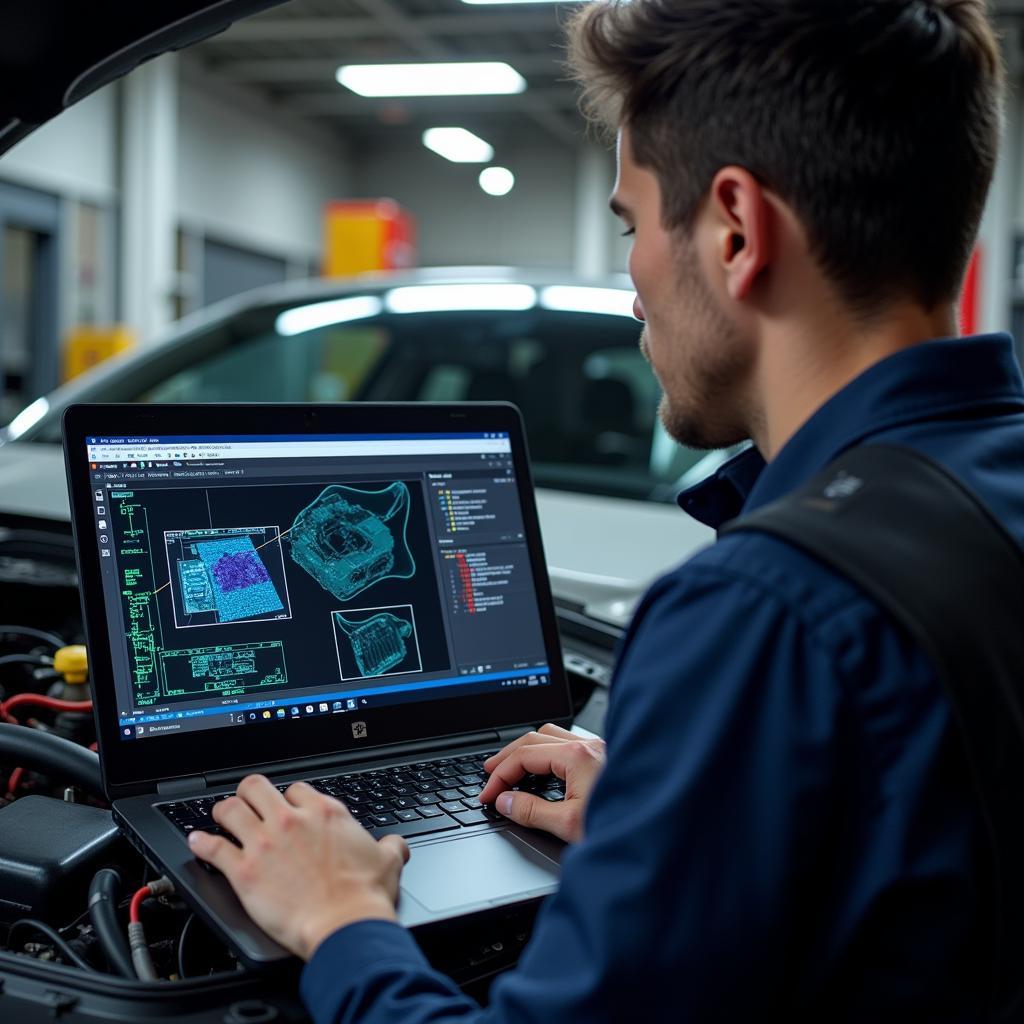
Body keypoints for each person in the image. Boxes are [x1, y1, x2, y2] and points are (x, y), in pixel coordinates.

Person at [188, 0, 1024, 1019]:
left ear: (735, 227)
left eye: (630, 223)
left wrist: (339, 920)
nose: (631, 280)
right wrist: (678, 818)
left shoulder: (769, 612)